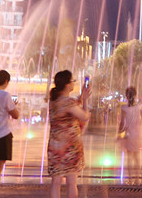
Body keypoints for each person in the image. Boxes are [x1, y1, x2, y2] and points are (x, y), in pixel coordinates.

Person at [48, 70, 90, 198]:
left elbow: (69, 109)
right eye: (72, 81)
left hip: (55, 146)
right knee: (72, 182)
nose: (73, 83)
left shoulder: (53, 101)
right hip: (70, 147)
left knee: (56, 182)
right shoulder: (68, 102)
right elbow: (84, 116)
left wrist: (81, 98)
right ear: (67, 85)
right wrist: (86, 101)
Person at [0, 70, 20, 198]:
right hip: (2, 135)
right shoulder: (5, 95)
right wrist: (13, 106)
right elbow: (15, 115)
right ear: (6, 82)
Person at [117, 86, 142, 185]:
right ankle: (137, 178)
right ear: (135, 95)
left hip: (129, 134)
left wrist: (119, 133)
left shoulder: (124, 108)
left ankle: (130, 179)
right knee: (137, 156)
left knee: (129, 157)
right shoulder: (140, 107)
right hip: (138, 134)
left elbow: (121, 123)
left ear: (126, 96)